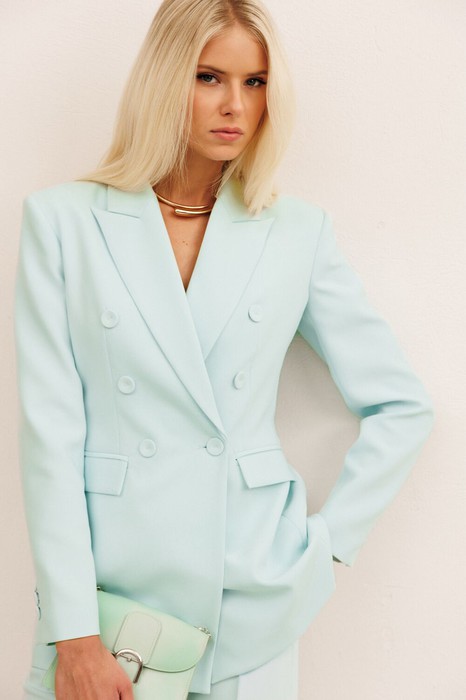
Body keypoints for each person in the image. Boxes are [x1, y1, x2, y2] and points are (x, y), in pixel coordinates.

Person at [14, 0, 434, 698]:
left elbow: (403, 405)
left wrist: (325, 548)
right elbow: (50, 438)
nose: (235, 105)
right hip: (114, 604)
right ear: (164, 77)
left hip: (253, 591)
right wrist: (74, 632)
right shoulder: (64, 223)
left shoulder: (296, 232)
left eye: (255, 82)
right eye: (209, 77)